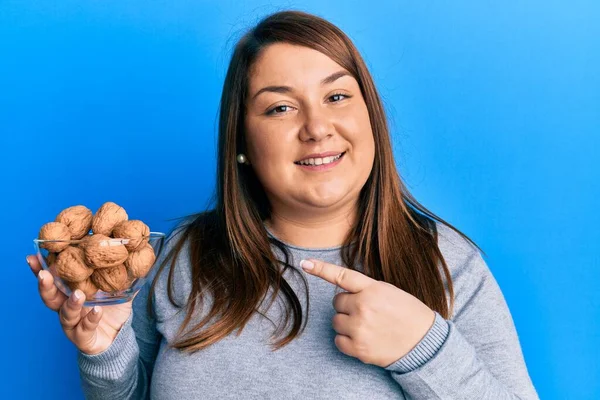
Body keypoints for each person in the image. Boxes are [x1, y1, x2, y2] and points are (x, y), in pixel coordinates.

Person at [26, 10, 539, 400]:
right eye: (280, 107)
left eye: (337, 97)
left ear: (371, 118)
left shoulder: (449, 263)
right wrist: (103, 354)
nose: (317, 128)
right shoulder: (180, 256)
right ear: (242, 142)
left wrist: (422, 348)